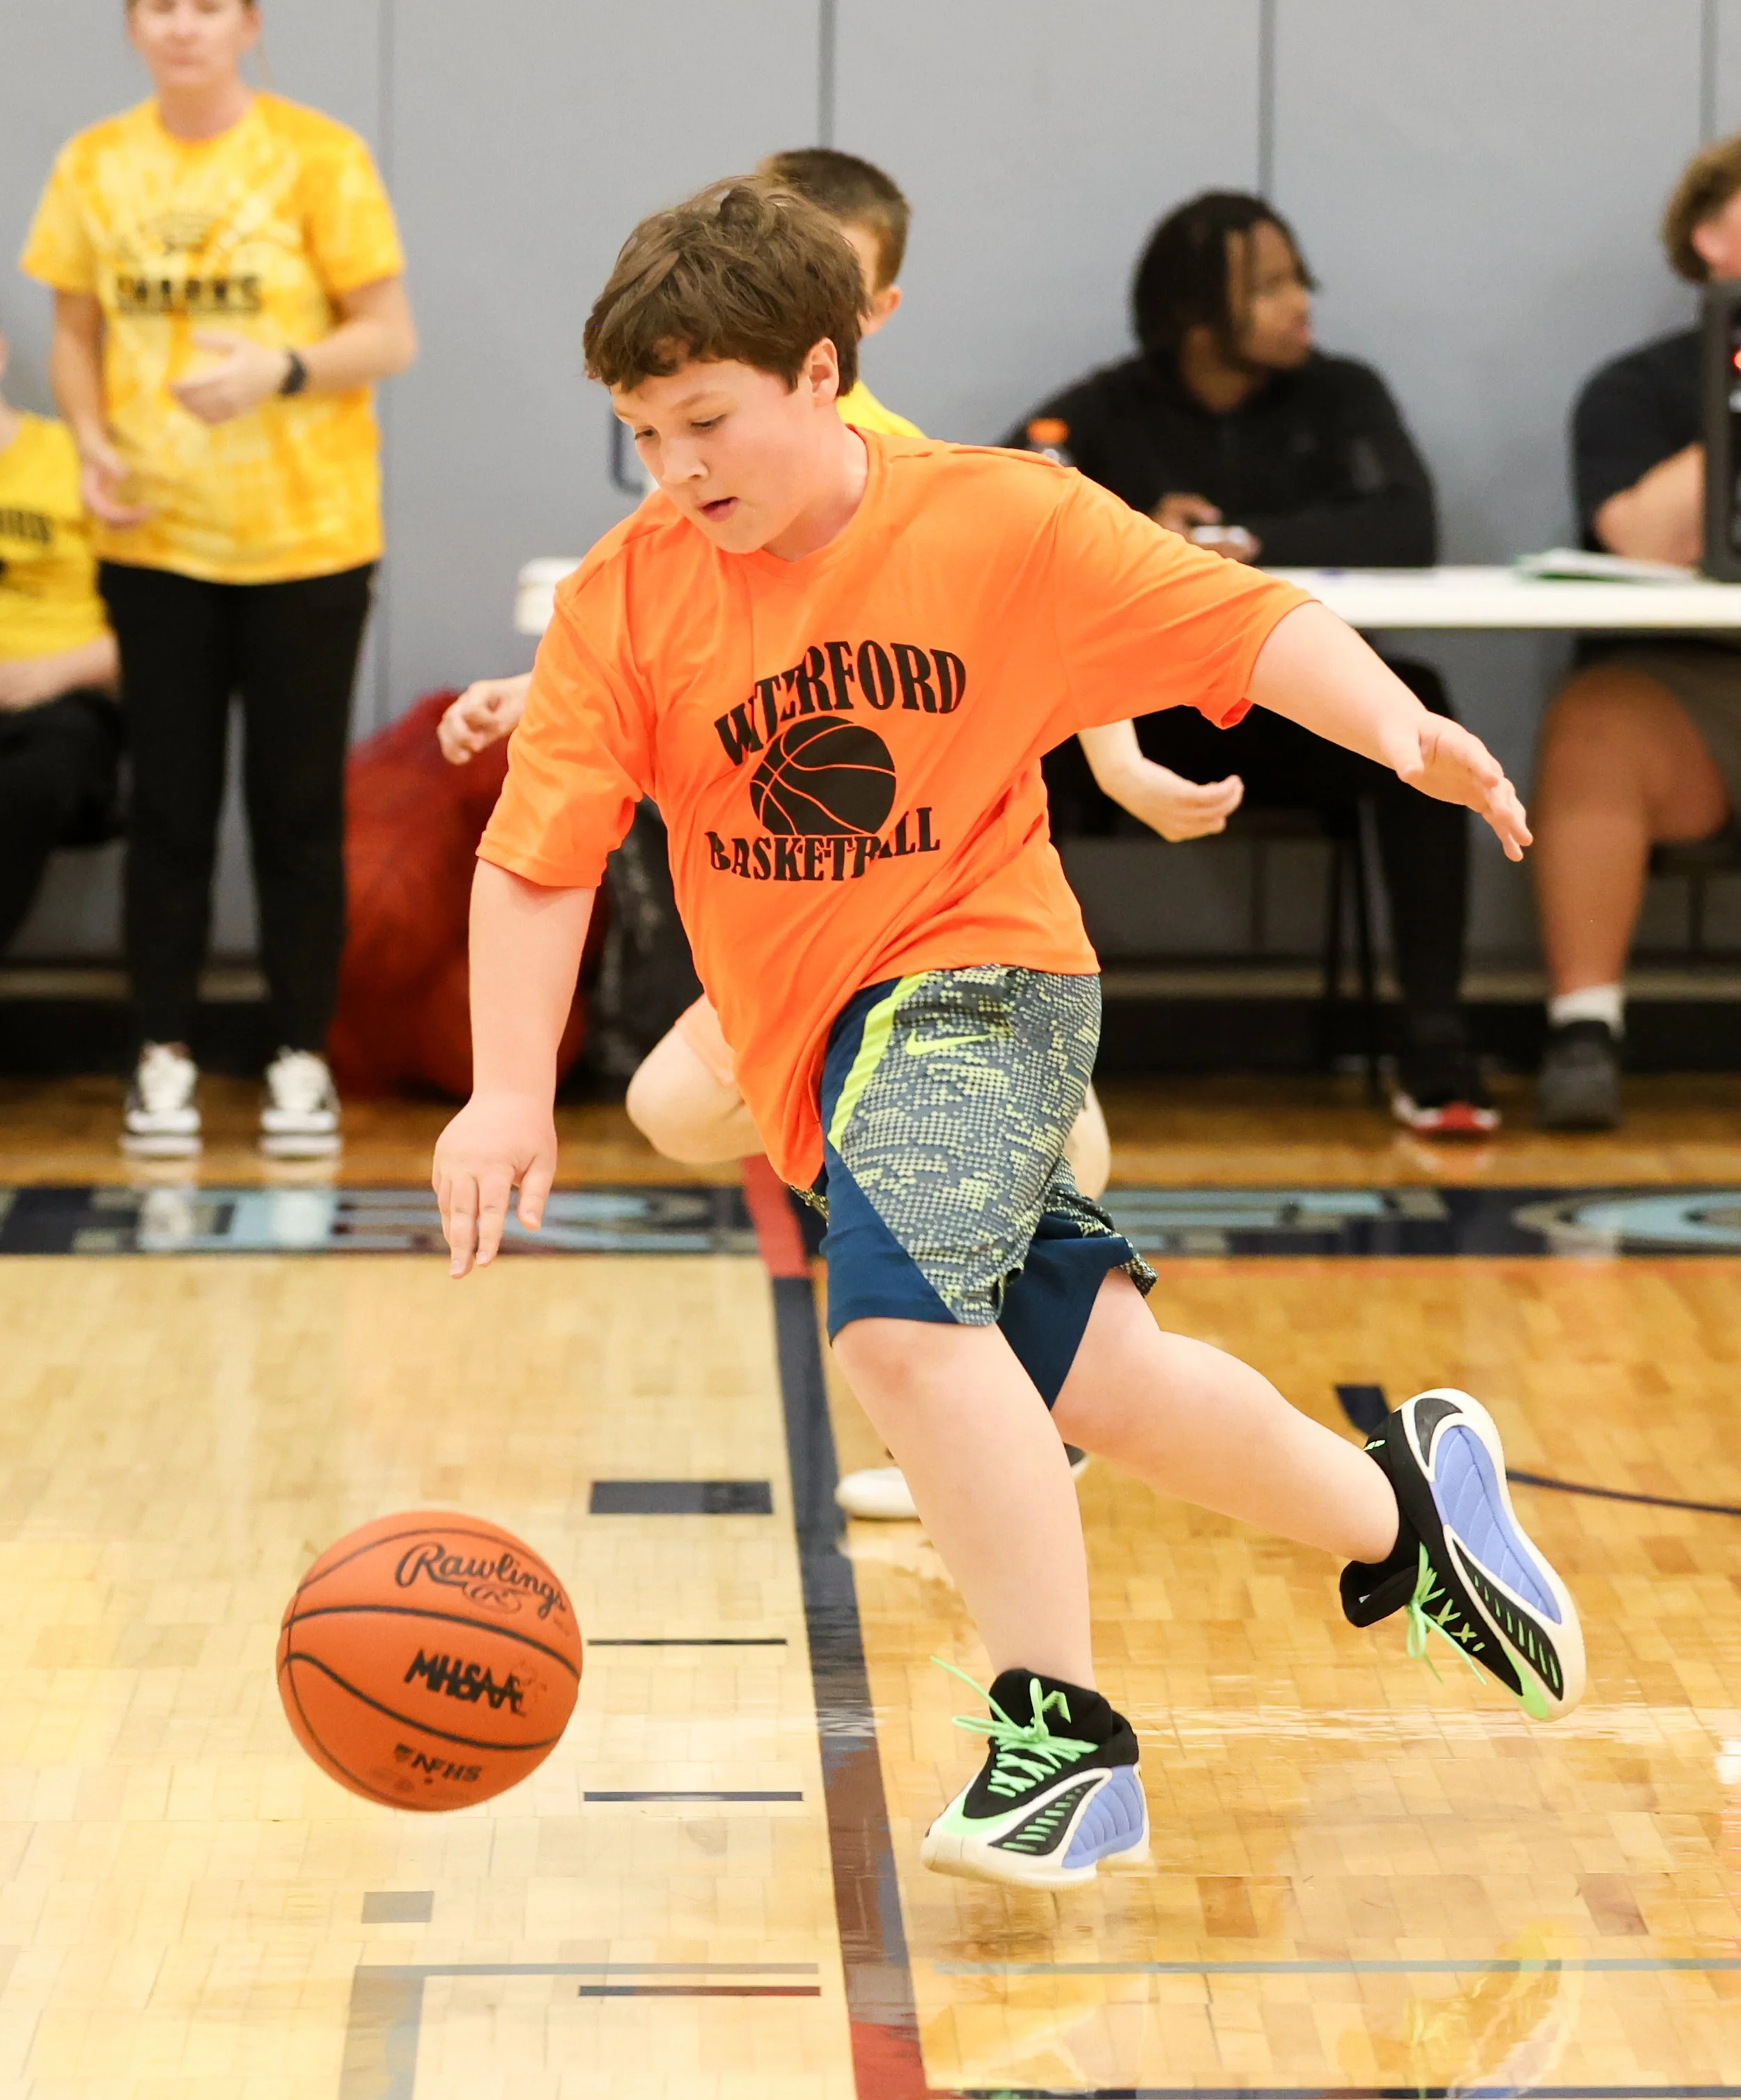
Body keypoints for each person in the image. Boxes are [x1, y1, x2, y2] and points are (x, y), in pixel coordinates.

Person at [432, 180, 1584, 1891]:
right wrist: (505, 1087)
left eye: (706, 419)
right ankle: (1411, 1515)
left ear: (822, 374)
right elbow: (538, 865)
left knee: (895, 1340)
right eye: (641, 431)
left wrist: (1400, 727)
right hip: (812, 1050)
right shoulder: (627, 598)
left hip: (984, 981)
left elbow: (1244, 627)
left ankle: (1064, 1738)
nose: (675, 463)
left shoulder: (1002, 518)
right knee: (1093, 1379)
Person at [439, 147, 1239, 1522]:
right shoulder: (705, 457)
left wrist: (1125, 762)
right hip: (791, 925)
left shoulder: (912, 473)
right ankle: (995, 1300)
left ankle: (996, 1363)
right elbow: (667, 643)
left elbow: (1055, 632)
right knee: (670, 1109)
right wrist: (549, 697)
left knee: (958, 1186)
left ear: (858, 317)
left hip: (943, 928)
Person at [20, 0, 416, 1156]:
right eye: (159, 8)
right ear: (133, 28)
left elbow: (388, 336)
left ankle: (300, 1055)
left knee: (296, 814)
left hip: (310, 541)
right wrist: (89, 438)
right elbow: (76, 334)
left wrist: (282, 369)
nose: (182, 28)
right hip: (155, 542)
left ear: (246, 25)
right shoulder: (95, 163)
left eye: (206, 7)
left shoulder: (316, 154)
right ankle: (161, 1055)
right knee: (171, 817)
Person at [1012, 192, 1494, 1138]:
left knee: (1422, 712)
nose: (1300, 303)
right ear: (1194, 315)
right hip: (1137, 717)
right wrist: (1140, 536)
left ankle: (1435, 1039)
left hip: (1287, 713)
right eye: (1269, 287)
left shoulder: (1342, 393)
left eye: (1296, 277)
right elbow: (1013, 502)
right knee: (1003, 742)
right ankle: (1003, 1039)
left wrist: (1248, 542)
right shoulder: (1106, 408)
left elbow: (1407, 522)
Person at [1529, 139, 1741, 1129]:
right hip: (1688, 689)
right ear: (1712, 239)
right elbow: (1646, 537)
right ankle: (1585, 1030)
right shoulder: (1637, 391)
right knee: (1596, 727)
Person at [0, 324, 124, 955]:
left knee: (31, 780)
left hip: (62, 706)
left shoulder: (74, 458)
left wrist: (49, 674)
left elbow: (159, 634)